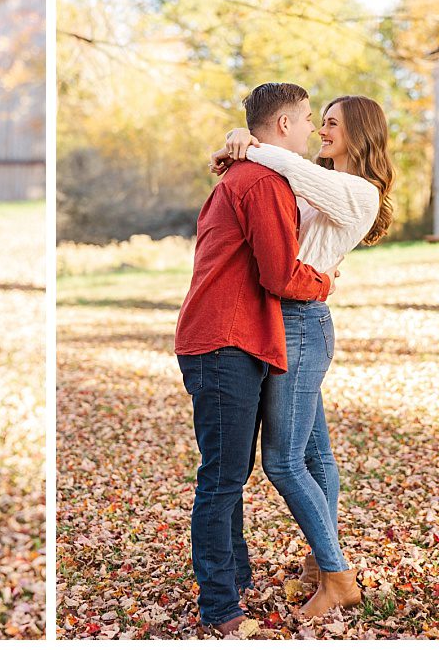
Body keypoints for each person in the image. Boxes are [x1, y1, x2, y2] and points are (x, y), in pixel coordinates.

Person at [208, 95, 395, 617]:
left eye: (331, 124)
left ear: (359, 133)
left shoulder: (358, 191)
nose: (320, 132)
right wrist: (239, 145)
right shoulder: (325, 181)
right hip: (289, 318)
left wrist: (246, 141)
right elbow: (276, 189)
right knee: (316, 456)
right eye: (320, 122)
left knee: (283, 462)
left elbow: (283, 163)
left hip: (301, 325)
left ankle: (338, 577)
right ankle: (321, 562)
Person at [174, 83, 337, 636]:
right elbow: (280, 275)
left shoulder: (248, 174)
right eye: (309, 119)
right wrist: (326, 282)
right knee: (222, 478)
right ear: (284, 126)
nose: (315, 130)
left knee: (230, 473)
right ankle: (221, 608)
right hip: (223, 342)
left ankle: (236, 578)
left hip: (229, 339)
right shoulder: (263, 182)